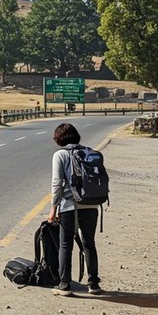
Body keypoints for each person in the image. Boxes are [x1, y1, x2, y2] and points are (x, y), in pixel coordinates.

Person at [47, 122, 101, 297]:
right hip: (92, 203)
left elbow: (57, 184)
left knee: (65, 244)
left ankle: (65, 285)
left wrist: (53, 208)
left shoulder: (60, 155)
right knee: (89, 244)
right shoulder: (89, 152)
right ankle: (93, 284)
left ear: (59, 138)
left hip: (70, 205)